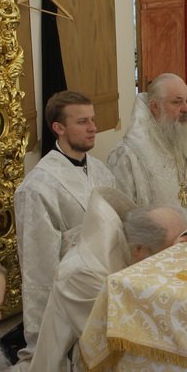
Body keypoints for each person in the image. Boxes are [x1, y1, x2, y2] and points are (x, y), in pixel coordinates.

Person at [18, 187, 187, 372]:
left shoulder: (129, 251)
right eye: (168, 254)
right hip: (81, 370)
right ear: (140, 250)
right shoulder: (84, 273)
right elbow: (115, 334)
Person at [14, 90, 114, 346]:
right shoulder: (37, 186)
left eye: (93, 119)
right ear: (58, 128)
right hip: (72, 293)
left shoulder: (101, 170)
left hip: (109, 280)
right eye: (82, 122)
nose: (93, 128)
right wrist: (44, 336)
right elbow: (38, 266)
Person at [107, 72, 187, 218]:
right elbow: (123, 219)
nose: (186, 109)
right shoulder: (128, 155)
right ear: (155, 107)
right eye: (177, 102)